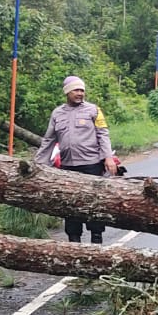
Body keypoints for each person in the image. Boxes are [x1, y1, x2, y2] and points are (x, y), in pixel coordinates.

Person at [37, 75, 117, 243]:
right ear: (67, 92)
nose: (80, 93)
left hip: (92, 166)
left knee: (94, 204)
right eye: (76, 90)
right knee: (70, 206)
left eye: (82, 90)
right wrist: (37, 165)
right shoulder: (57, 113)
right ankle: (74, 244)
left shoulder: (94, 110)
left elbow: (103, 134)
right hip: (68, 167)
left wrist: (108, 157)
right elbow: (49, 140)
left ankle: (96, 241)